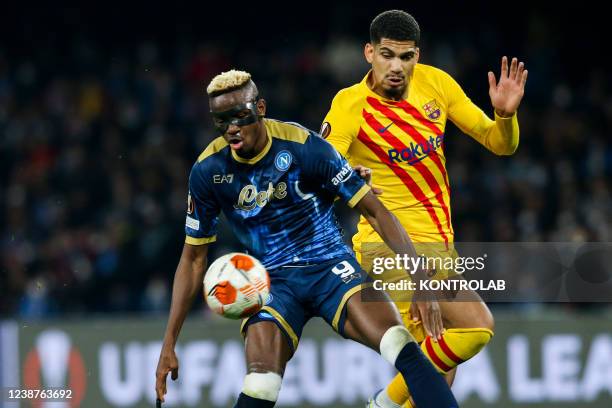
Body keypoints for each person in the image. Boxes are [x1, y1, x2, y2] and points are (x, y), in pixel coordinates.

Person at [154, 69, 458, 407]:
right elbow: (193, 258)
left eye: (240, 116)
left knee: (399, 343)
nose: (232, 129)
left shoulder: (306, 147)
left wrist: (420, 277)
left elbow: (376, 211)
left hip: (330, 265)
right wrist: (169, 343)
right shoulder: (208, 171)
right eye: (221, 121)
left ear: (261, 108)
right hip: (270, 282)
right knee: (261, 384)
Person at [321, 10, 528, 408]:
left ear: (418, 55)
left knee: (433, 387)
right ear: (369, 53)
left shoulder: (436, 83)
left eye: (406, 56)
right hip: (391, 250)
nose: (396, 66)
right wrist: (346, 177)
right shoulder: (349, 105)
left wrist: (505, 115)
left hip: (440, 249)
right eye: (386, 55)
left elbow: (501, 144)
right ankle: (381, 403)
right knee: (477, 326)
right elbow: (318, 172)